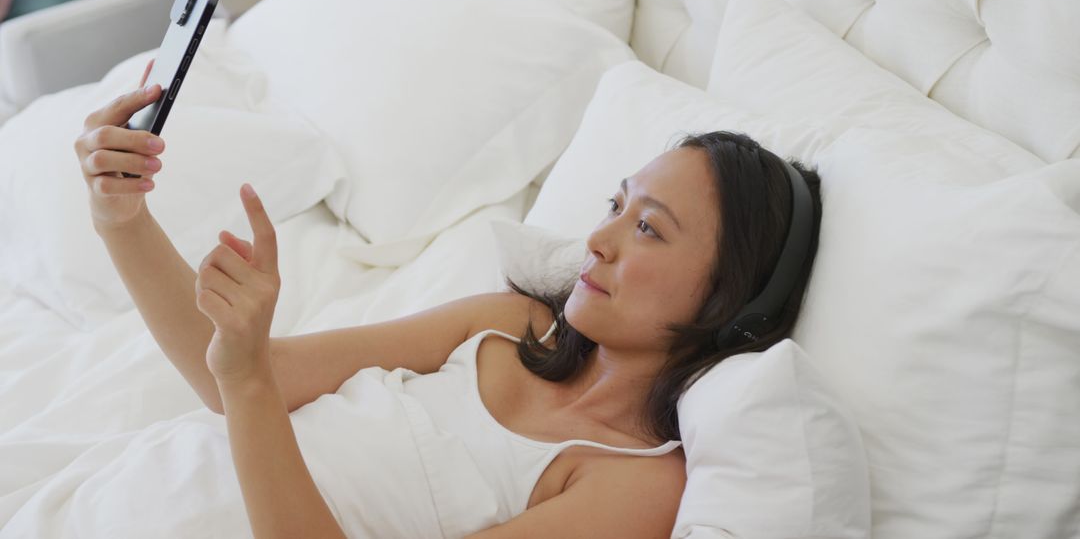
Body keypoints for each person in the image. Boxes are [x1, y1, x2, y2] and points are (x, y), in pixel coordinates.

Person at [73, 59, 822, 538]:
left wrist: (245, 378)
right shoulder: (511, 325)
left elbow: (242, 384)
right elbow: (223, 380)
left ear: (732, 299)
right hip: (116, 499)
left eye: (650, 229)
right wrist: (122, 218)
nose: (599, 240)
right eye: (615, 205)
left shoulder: (637, 485)